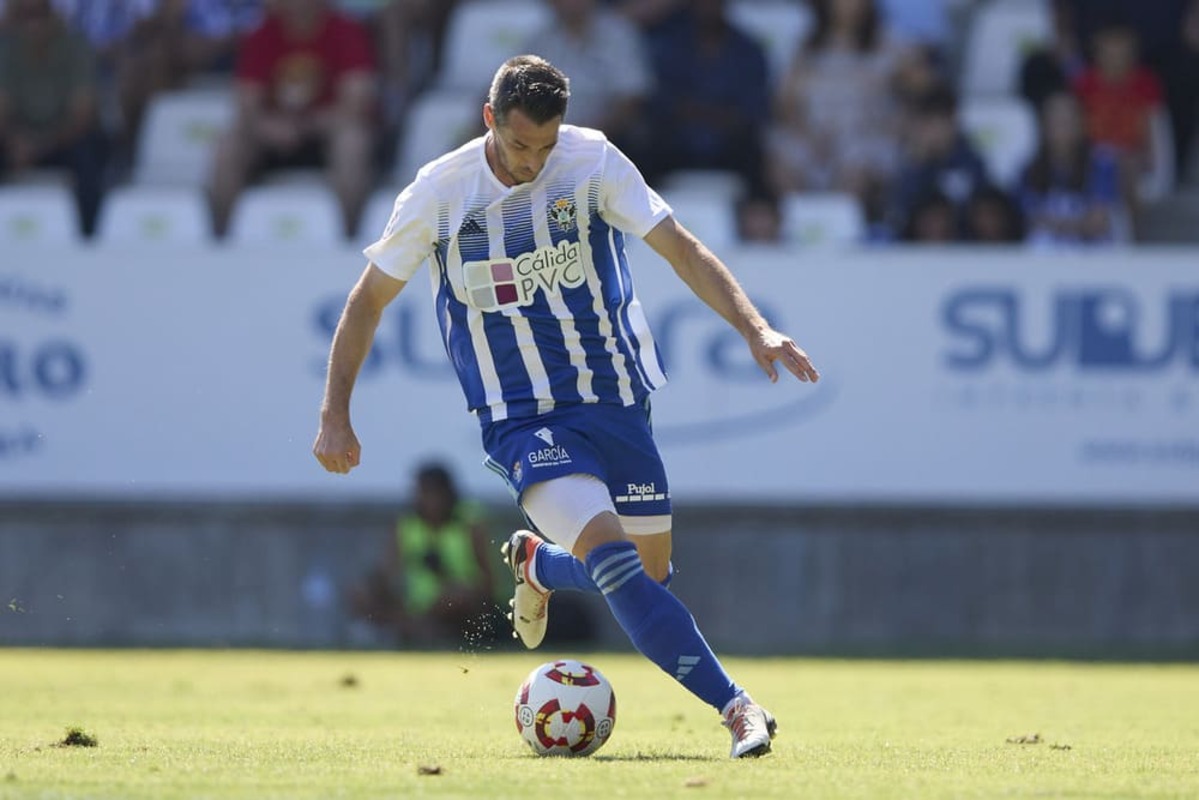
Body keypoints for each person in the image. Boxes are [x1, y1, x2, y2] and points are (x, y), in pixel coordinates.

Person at [313, 55, 820, 758]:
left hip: (615, 398)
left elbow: (679, 248)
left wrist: (754, 327)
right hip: (521, 417)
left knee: (647, 577)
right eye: (520, 146)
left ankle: (541, 566)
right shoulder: (440, 192)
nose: (532, 162)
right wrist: (334, 413)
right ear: (489, 120)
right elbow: (367, 301)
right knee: (615, 563)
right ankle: (737, 707)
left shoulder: (590, 162)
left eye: (545, 147)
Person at [208, 0, 377, 238]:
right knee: (228, 148)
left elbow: (357, 102)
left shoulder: (346, 31)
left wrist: (305, 125)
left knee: (353, 144)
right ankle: (219, 236)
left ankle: (350, 236)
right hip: (272, 137)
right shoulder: (262, 34)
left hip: (325, 133)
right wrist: (267, 126)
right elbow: (246, 103)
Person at [348, 462, 502, 647]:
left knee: (457, 598)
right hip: (416, 606)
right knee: (361, 594)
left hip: (457, 604)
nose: (431, 501)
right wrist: (370, 589)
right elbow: (386, 573)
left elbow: (488, 583)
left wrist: (446, 576)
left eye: (436, 494)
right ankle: (424, 629)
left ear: (448, 494)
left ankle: (424, 630)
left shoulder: (469, 521)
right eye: (424, 493)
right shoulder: (406, 524)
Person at [0, 0, 107, 237]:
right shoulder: (7, 50)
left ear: (53, 16)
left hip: (63, 139)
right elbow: (2, 110)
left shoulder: (76, 47)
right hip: (21, 141)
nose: (33, 24)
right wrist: (16, 142)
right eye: (26, 16)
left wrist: (38, 146)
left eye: (39, 14)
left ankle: (89, 236)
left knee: (88, 157)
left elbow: (82, 115)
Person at [523, 0, 652, 149]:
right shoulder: (541, 39)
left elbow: (630, 98)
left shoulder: (618, 33)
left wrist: (585, 138)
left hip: (605, 142)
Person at [1019, 91, 1128, 247]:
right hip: (1047, 257)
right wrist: (1077, 224)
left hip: (1092, 254)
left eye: (1068, 120)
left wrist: (1057, 224)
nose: (1062, 127)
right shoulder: (1029, 170)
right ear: (1043, 126)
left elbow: (1098, 222)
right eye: (1055, 120)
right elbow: (1032, 221)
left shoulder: (1102, 165)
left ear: (1081, 124)